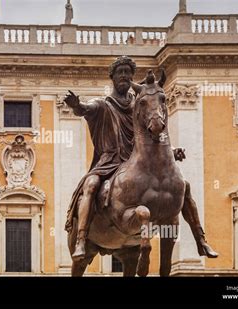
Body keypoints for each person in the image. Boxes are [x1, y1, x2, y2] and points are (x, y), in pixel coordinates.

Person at [64, 56, 218, 261]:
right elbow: (85, 109)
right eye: (120, 72)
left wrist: (171, 149)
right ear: (112, 77)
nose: (125, 76)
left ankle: (200, 239)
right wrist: (77, 105)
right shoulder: (103, 104)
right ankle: (81, 239)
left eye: (128, 73)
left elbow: (152, 135)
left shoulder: (140, 105)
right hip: (109, 163)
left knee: (184, 186)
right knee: (91, 185)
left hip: (139, 162)